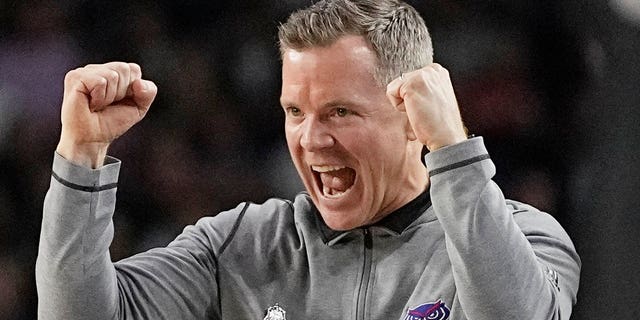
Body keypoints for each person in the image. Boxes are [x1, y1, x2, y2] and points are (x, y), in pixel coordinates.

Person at [36, 0, 580, 319]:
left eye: (340, 111)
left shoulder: (526, 240)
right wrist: (81, 157)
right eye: (296, 111)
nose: (311, 139)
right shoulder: (241, 246)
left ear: (415, 115)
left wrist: (455, 153)